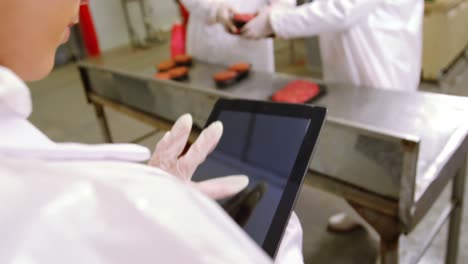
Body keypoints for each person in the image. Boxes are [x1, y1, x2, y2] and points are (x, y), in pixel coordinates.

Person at [0, 0, 303, 263]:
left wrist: (276, 14)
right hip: (209, 39)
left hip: (254, 44)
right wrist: (274, 249)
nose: (84, 4)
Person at [241, 0, 423, 231]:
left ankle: (388, 237)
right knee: (358, 153)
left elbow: (343, 8)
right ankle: (364, 217)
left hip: (382, 65)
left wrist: (275, 20)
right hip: (354, 66)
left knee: (385, 164)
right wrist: (282, 7)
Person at [180, 0, 296, 72]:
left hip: (254, 34)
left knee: (253, 100)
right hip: (207, 37)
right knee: (207, 100)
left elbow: (285, 2)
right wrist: (214, 8)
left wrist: (275, 11)